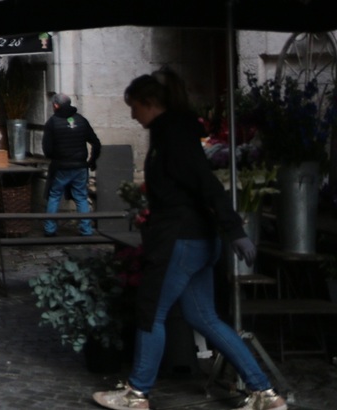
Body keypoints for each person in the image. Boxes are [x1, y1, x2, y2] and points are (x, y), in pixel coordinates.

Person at [92, 69, 284, 410]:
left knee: (152, 312)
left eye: (134, 106)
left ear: (150, 103)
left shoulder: (173, 136)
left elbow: (205, 184)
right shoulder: (173, 133)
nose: (132, 114)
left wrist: (236, 230)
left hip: (179, 241)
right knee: (204, 318)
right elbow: (188, 185)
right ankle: (264, 394)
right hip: (194, 239)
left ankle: (137, 394)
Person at [41, 92, 101, 237]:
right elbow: (96, 143)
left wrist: (55, 157)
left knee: (54, 195)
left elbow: (47, 149)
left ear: (56, 105)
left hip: (61, 166)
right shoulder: (81, 120)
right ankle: (86, 230)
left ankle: (50, 229)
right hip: (80, 166)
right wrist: (92, 161)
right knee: (81, 197)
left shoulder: (52, 122)